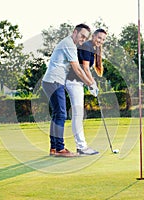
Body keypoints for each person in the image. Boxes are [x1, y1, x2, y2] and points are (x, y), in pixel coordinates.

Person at [42, 24, 98, 157]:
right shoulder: (69, 44)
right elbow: (77, 69)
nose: (83, 39)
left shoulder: (69, 43)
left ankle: (54, 148)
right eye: (81, 36)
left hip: (52, 81)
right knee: (61, 114)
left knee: (57, 114)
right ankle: (60, 149)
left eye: (85, 38)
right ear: (75, 32)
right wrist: (91, 84)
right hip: (54, 81)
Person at [66, 29, 107, 155]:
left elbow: (86, 69)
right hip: (73, 82)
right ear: (93, 36)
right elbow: (85, 68)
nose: (100, 41)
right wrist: (92, 84)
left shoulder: (92, 48)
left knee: (78, 114)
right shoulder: (87, 46)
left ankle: (81, 146)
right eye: (99, 37)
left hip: (77, 83)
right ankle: (81, 147)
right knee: (78, 114)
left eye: (103, 39)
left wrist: (91, 83)